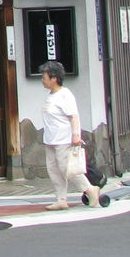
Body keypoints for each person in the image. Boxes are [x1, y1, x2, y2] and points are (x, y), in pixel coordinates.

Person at [39, 60, 101, 210]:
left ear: (54, 78)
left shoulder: (65, 95)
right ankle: (61, 199)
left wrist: (75, 136)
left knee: (67, 169)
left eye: (44, 76)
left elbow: (73, 116)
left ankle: (90, 190)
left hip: (63, 138)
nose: (42, 80)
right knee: (53, 170)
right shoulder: (51, 95)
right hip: (50, 139)